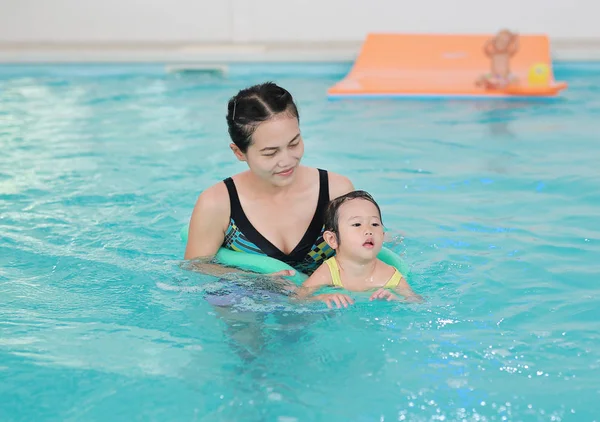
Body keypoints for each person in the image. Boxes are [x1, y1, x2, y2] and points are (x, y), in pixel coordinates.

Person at [184, 82, 354, 279]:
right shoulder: (218, 204)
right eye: (270, 153)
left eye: (294, 143)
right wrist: (257, 282)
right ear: (239, 152)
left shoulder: (336, 192)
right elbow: (195, 268)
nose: (287, 161)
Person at [293, 190, 423, 309]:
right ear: (333, 239)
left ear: (383, 235)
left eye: (375, 224)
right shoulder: (329, 272)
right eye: (357, 224)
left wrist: (396, 300)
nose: (368, 231)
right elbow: (297, 299)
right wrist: (321, 297)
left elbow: (416, 301)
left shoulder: (389, 275)